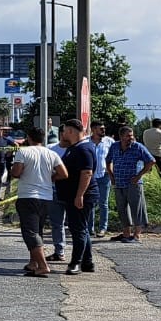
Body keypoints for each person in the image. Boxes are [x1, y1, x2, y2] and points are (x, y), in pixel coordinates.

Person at [10, 128, 67, 277]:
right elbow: (63, 173)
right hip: (46, 197)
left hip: (28, 196)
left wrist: (13, 169)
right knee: (38, 230)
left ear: (28, 137)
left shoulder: (23, 152)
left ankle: (42, 265)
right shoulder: (51, 153)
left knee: (30, 232)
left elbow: (16, 172)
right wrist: (50, 179)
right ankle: (33, 262)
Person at [56, 118, 97, 275]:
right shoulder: (74, 147)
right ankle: (87, 262)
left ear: (71, 131)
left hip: (81, 196)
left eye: (65, 131)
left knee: (78, 230)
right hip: (72, 195)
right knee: (81, 229)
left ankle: (76, 263)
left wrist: (79, 195)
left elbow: (87, 173)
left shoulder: (83, 149)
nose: (63, 134)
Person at [108, 124, 156, 241]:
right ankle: (126, 233)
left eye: (132, 135)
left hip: (133, 183)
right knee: (122, 209)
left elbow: (151, 161)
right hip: (119, 183)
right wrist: (111, 176)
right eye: (128, 136)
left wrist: (139, 175)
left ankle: (137, 235)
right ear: (121, 136)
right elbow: (108, 160)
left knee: (137, 208)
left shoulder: (137, 147)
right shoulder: (114, 146)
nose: (131, 138)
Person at [45, 129, 70, 261]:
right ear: (62, 134)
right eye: (68, 132)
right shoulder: (50, 149)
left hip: (71, 191)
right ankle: (59, 251)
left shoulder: (75, 149)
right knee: (57, 223)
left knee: (76, 225)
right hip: (54, 190)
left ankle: (80, 254)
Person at [88, 120, 114, 237]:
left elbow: (113, 158)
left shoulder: (109, 142)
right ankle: (90, 228)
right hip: (90, 177)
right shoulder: (86, 142)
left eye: (104, 128)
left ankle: (103, 228)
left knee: (103, 203)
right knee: (90, 203)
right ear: (93, 130)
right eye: (100, 128)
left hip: (104, 175)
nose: (103, 130)